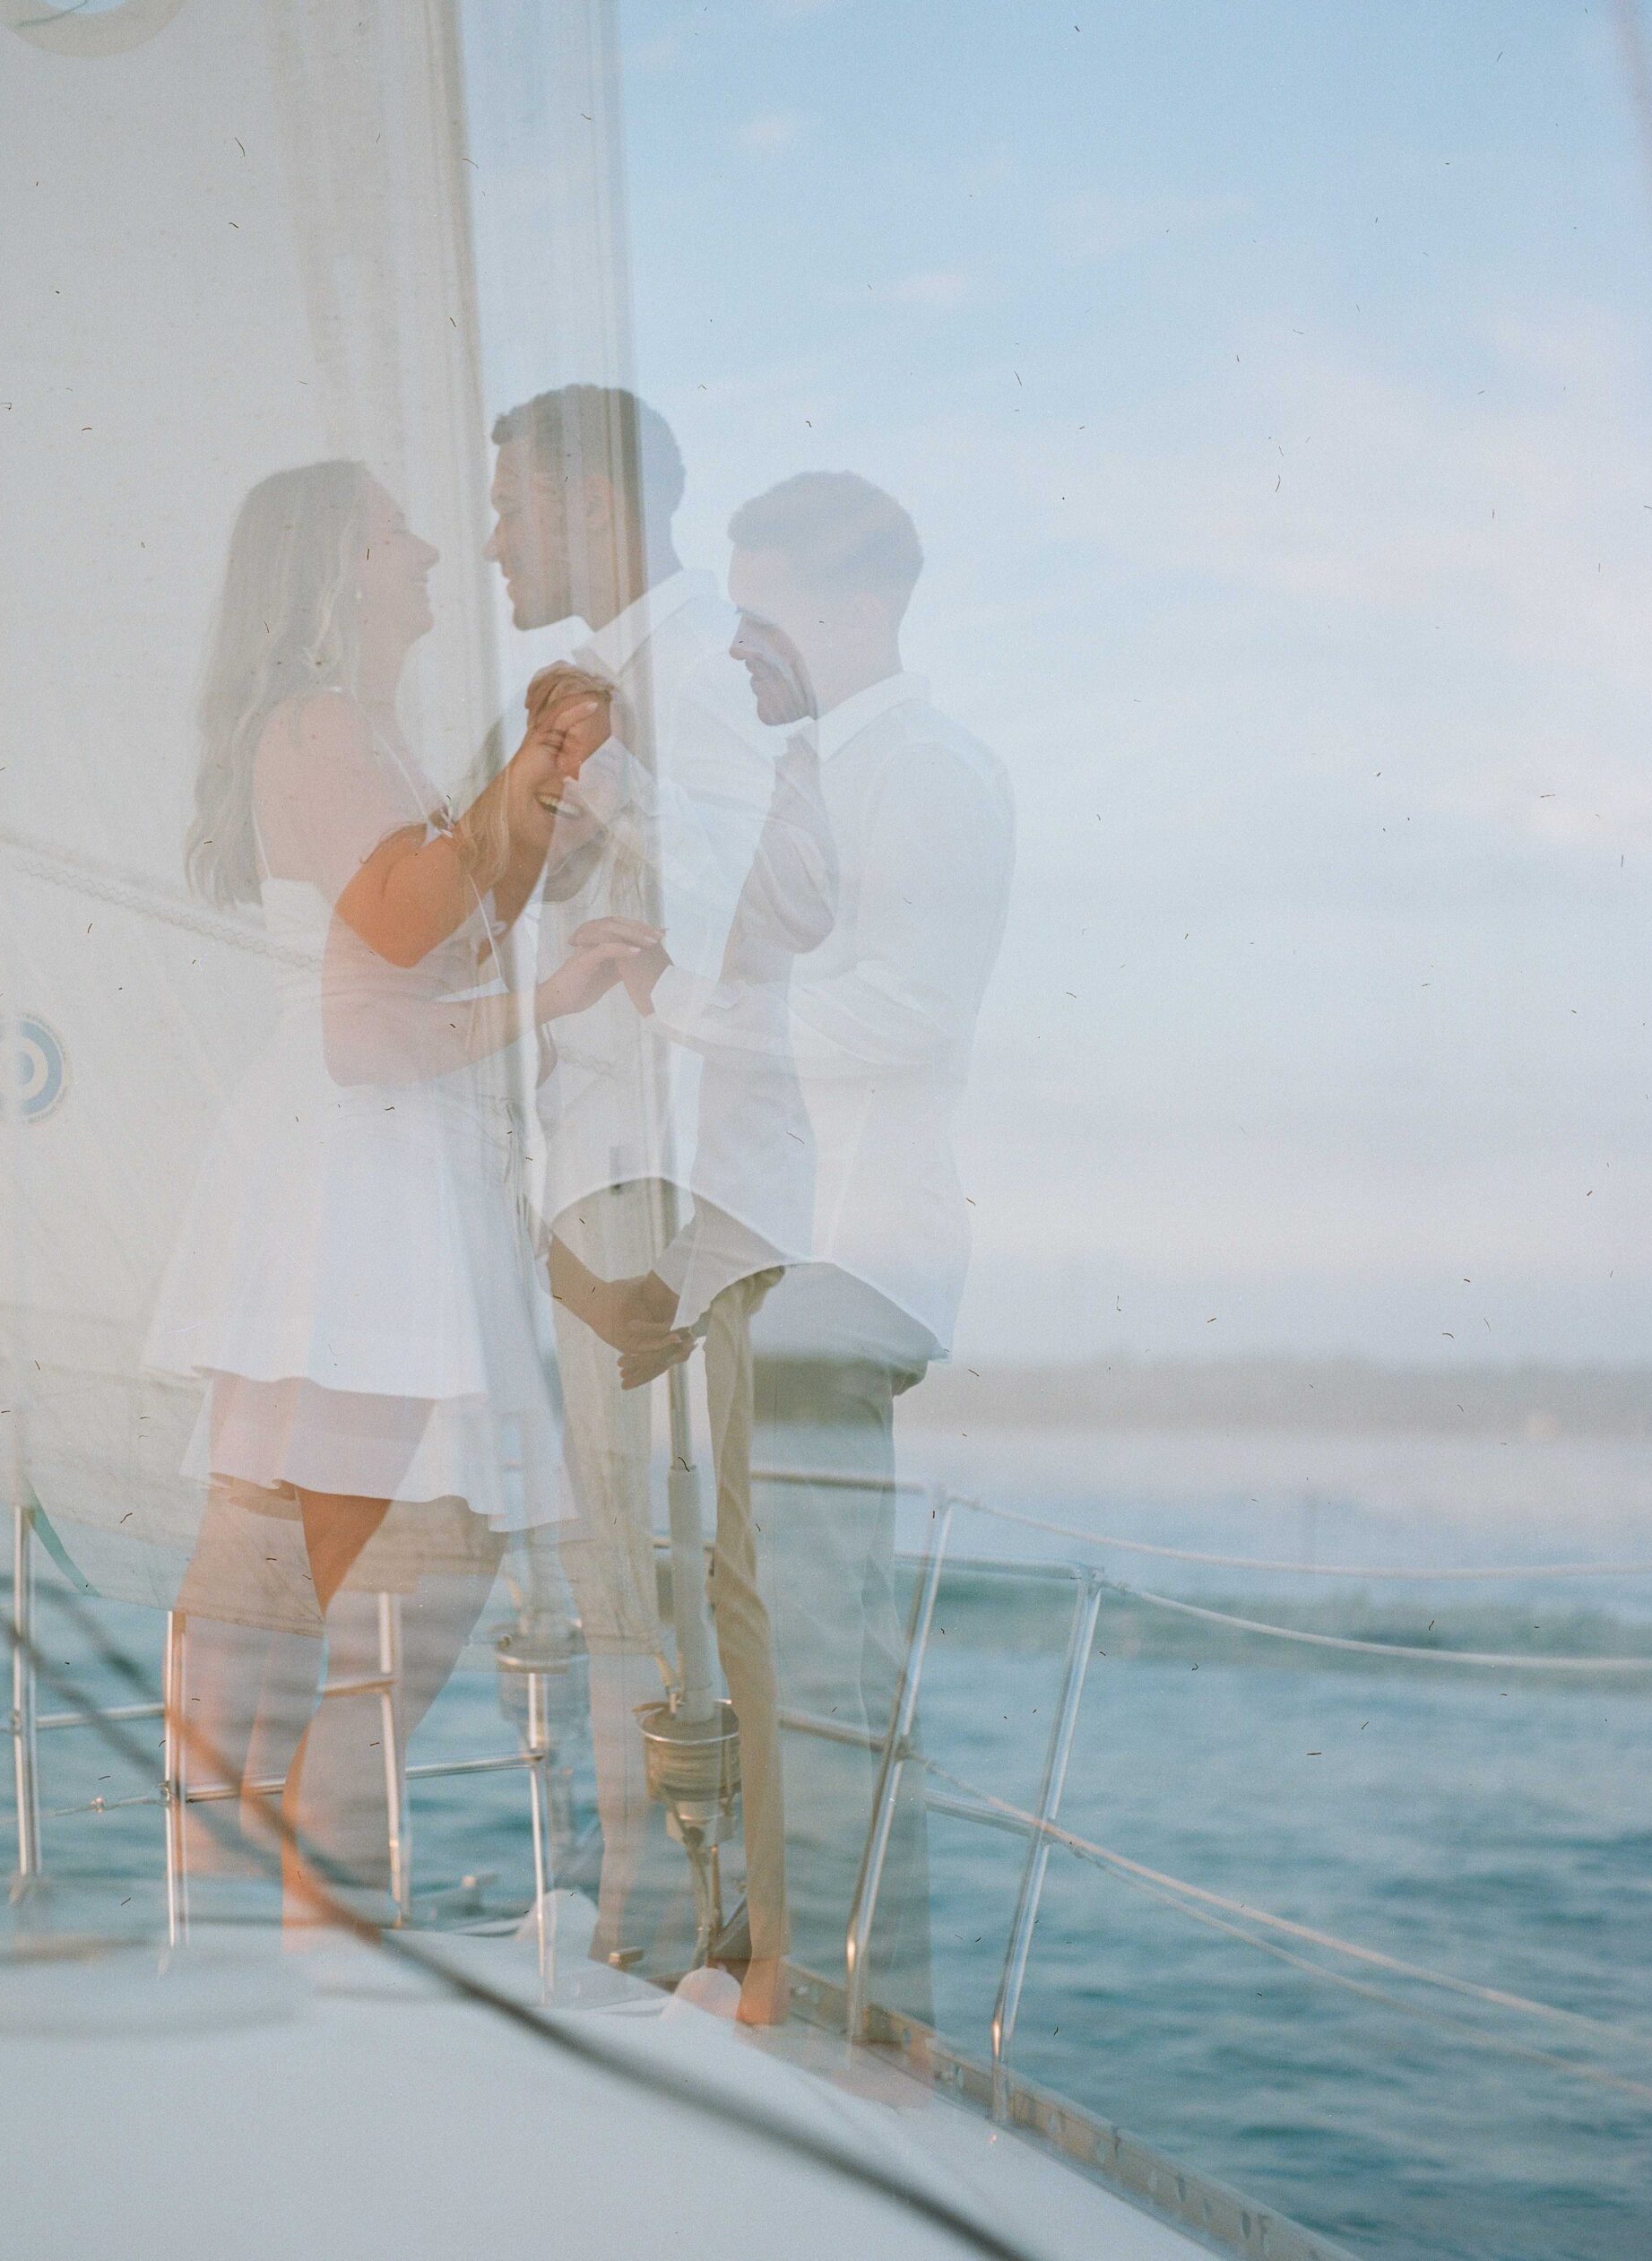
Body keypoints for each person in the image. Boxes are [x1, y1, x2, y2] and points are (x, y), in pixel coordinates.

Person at [144, 459, 647, 1927]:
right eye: (394, 535)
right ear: (335, 574)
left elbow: (439, 918)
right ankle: (302, 1955)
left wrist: (543, 795)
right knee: (366, 1595)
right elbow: (395, 956)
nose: (431, 551)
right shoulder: (317, 730)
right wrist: (538, 791)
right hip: (363, 1186)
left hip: (373, 1181)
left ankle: (277, 1948)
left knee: (342, 1599)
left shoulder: (358, 728)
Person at [485, 386, 831, 2019]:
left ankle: (717, 1933)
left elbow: (759, 888)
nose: (494, 534)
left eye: (510, 500)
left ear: (582, 494)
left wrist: (586, 775)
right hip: (603, 1166)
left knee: (686, 1563)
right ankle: (663, 1910)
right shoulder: (597, 687)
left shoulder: (688, 671)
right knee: (632, 1558)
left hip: (669, 1176)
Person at [718, 470, 1016, 2014]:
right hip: (774, 1257)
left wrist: (684, 1016)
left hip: (844, 1266)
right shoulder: (826, 775)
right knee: (772, 1644)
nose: (735, 649)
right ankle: (789, 1978)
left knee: (822, 1654)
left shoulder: (930, 776)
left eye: (757, 615)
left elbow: (908, 1012)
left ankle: (848, 2012)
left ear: (848, 612)